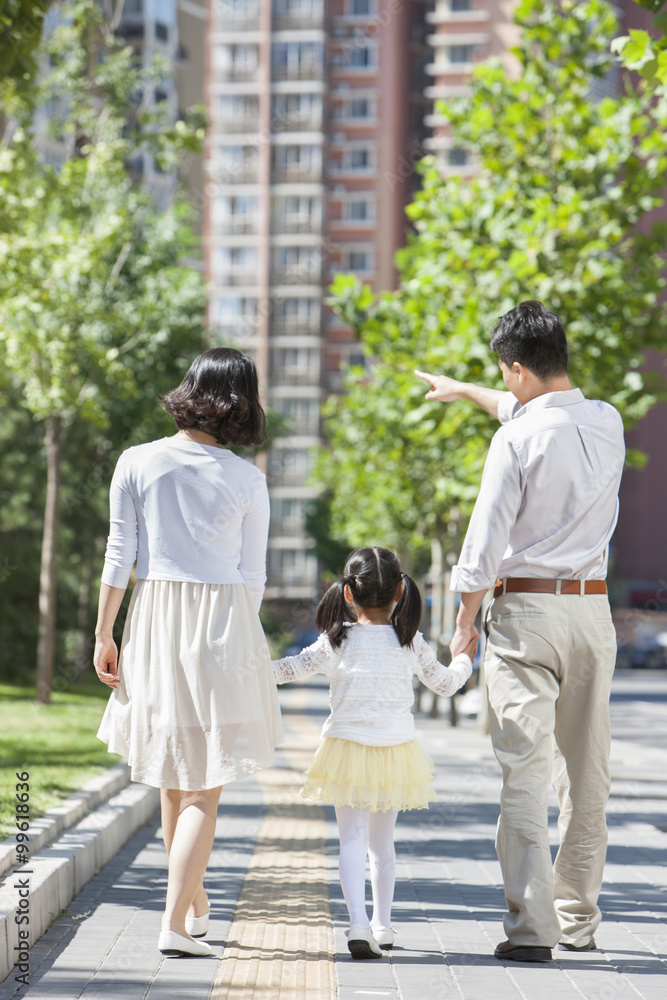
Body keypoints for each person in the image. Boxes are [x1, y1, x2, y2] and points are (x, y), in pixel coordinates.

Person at [416, 300, 625, 963]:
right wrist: (462, 391)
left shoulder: (514, 440)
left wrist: (461, 626)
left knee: (525, 774)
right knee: (587, 775)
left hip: (524, 617)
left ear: (514, 370)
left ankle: (531, 931)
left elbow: (481, 547)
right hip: (591, 615)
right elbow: (526, 409)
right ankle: (577, 922)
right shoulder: (608, 421)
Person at [93, 347, 284, 959]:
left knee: (176, 778)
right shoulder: (249, 478)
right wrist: (235, 640)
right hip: (224, 620)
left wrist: (105, 633)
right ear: (241, 403)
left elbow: (119, 555)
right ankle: (176, 923)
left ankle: (191, 901)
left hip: (152, 617)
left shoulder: (137, 461)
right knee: (204, 784)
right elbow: (252, 577)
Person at [272, 546, 476, 959]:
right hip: (395, 750)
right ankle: (383, 925)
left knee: (351, 839)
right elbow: (446, 684)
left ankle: (358, 925)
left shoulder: (335, 642)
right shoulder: (409, 642)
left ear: (348, 593)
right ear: (401, 591)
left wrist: (238, 666)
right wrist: (465, 660)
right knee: (383, 845)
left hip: (345, 750)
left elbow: (283, 671)